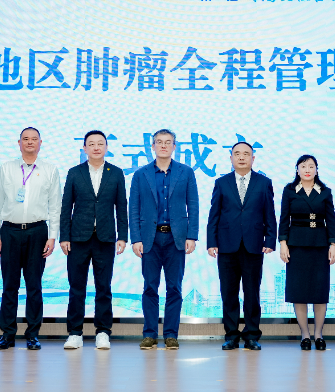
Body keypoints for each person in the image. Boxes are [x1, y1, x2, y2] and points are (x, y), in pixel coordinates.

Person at [0, 127, 61, 351]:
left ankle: (33, 334)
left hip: (37, 232)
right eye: (25, 139)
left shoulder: (50, 170)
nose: (30, 142)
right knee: (9, 286)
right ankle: (7, 334)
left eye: (34, 139)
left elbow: (55, 207)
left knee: (34, 286)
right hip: (9, 232)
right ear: (18, 143)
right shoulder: (6, 168)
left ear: (41, 143)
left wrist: (52, 236)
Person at [129, 129, 198, 350]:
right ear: (153, 146)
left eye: (168, 142)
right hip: (150, 238)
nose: (163, 146)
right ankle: (149, 334)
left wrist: (192, 236)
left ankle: (170, 334)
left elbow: (193, 206)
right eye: (159, 142)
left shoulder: (186, 172)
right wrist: (135, 238)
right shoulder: (141, 174)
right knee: (150, 287)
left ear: (174, 146)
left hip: (176, 238)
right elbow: (134, 208)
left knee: (174, 288)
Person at [60, 130, 128, 350]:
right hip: (78, 238)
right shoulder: (74, 172)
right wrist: (64, 237)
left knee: (104, 287)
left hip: (105, 238)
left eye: (100, 143)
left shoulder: (116, 173)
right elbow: (66, 207)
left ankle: (103, 332)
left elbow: (122, 207)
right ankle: (75, 333)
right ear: (84, 148)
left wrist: (123, 236)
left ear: (107, 147)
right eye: (91, 144)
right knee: (76, 287)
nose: (96, 147)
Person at [206, 142, 277, 351]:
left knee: (252, 293)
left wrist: (270, 240)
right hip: (227, 245)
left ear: (253, 158)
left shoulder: (264, 183)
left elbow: (269, 213)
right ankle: (231, 335)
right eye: (237, 154)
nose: (241, 157)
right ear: (231, 158)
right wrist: (212, 242)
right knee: (229, 293)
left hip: (253, 245)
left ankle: (252, 335)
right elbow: (214, 215)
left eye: (246, 154)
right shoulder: (222, 183)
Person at [278, 155, 335, 351]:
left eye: (311, 166)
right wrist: (283, 243)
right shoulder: (289, 191)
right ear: (297, 170)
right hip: (296, 246)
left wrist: (333, 244)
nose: (307, 170)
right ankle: (305, 335)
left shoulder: (325, 192)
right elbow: (284, 219)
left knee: (319, 291)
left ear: (316, 170)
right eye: (303, 166)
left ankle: (318, 334)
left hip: (320, 245)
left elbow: (331, 220)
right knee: (299, 291)